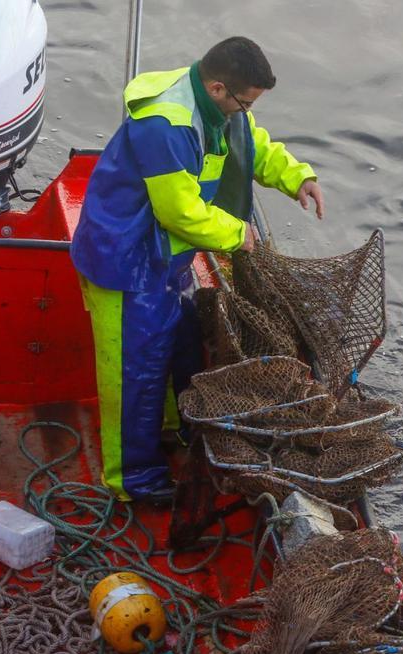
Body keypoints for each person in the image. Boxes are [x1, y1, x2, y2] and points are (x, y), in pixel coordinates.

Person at [70, 36, 324, 502]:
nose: (245, 113)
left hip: (169, 259)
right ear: (217, 88)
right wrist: (236, 235)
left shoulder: (225, 111)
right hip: (126, 260)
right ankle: (133, 481)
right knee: (135, 373)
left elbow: (255, 147)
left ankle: (172, 432)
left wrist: (298, 177)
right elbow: (179, 213)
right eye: (242, 103)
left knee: (181, 352)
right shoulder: (167, 125)